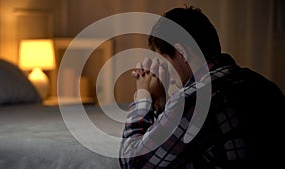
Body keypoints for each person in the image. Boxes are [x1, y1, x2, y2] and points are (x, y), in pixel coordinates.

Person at [119, 6, 285, 169]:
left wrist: (143, 95)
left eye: (164, 62)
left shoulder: (195, 98)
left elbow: (133, 163)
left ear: (181, 52)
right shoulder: (262, 84)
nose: (166, 76)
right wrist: (162, 105)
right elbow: (175, 151)